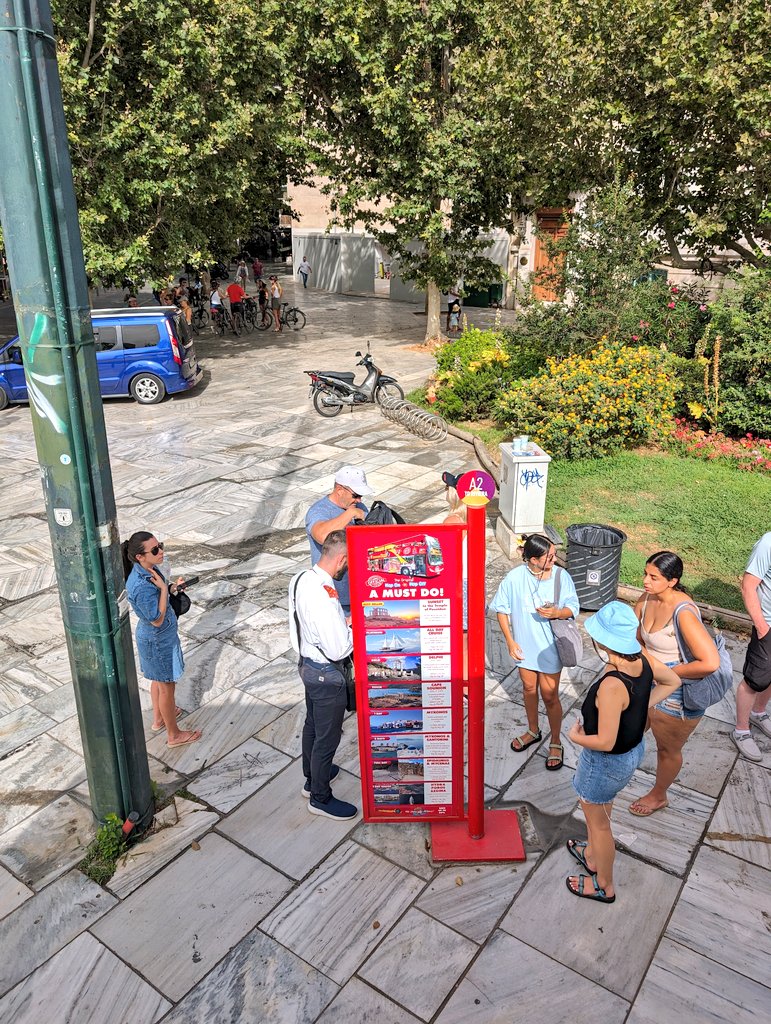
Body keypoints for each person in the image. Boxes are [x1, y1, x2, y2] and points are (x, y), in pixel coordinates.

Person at [566, 601, 681, 903]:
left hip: (605, 762)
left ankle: (604, 883)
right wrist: (643, 704)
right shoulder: (641, 658)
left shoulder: (612, 686)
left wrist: (575, 737)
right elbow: (673, 680)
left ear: (602, 642)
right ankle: (591, 854)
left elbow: (604, 741)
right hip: (630, 752)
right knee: (602, 810)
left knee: (599, 823)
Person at [629, 551, 721, 815]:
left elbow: (710, 662)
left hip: (678, 696)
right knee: (632, 729)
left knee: (667, 749)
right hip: (649, 682)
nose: (646, 581)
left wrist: (666, 672)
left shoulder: (684, 613)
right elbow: (633, 634)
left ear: (672, 581)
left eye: (653, 577)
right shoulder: (647, 597)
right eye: (646, 574)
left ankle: (659, 796)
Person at [489, 535, 579, 770]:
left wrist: (557, 613)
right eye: (549, 556)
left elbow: (574, 607)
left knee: (550, 696)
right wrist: (510, 641)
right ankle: (533, 730)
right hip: (524, 647)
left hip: (551, 648)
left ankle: (556, 741)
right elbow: (501, 609)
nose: (554, 559)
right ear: (533, 559)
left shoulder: (561, 576)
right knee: (529, 689)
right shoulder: (515, 577)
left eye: (553, 554)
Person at [288, 531, 357, 820]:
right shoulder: (326, 597)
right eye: (348, 563)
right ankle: (320, 796)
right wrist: (356, 629)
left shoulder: (302, 578)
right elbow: (339, 647)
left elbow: (307, 622)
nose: (347, 569)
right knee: (327, 738)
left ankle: (311, 775)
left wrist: (342, 622)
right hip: (327, 675)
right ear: (341, 558)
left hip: (307, 664)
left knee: (313, 725)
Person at [121, 532, 202, 748]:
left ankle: (159, 720)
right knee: (167, 687)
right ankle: (174, 735)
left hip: (160, 636)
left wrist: (173, 588)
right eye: (155, 550)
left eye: (160, 546)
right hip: (158, 639)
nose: (161, 552)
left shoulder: (149, 569)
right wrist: (165, 590)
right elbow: (156, 619)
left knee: (158, 680)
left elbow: (160, 595)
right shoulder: (139, 585)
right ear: (140, 556)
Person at [306, 466, 372, 614]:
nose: (359, 500)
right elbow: (322, 535)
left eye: (361, 495)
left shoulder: (357, 505)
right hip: (334, 599)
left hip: (361, 595)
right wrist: (350, 514)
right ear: (340, 490)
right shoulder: (319, 511)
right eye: (356, 495)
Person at [733, 532, 771, 760]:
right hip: (768, 624)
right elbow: (748, 586)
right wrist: (762, 626)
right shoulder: (768, 543)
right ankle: (741, 730)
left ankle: (759, 712)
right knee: (755, 679)